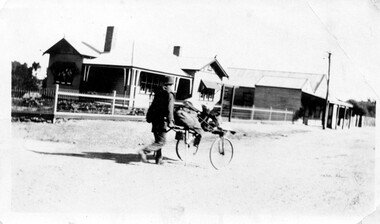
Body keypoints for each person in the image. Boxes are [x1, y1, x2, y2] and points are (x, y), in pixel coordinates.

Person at [138, 76, 175, 164]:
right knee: (161, 142)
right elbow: (170, 109)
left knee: (157, 139)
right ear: (171, 84)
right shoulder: (170, 94)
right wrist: (171, 121)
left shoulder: (158, 92)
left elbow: (153, 105)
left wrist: (149, 116)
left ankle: (158, 159)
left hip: (155, 119)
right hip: (162, 120)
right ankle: (144, 151)